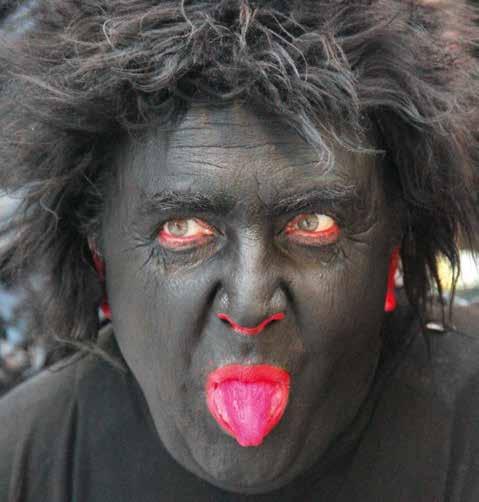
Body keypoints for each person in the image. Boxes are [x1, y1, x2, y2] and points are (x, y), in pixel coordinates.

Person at [0, 0, 478, 500]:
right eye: (183, 229)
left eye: (312, 224)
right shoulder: (23, 463)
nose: (250, 306)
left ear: (392, 255)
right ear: (99, 262)